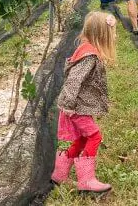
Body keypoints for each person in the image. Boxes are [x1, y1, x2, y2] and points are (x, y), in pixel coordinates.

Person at [51, 12, 117, 193]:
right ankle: (86, 181)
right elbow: (73, 80)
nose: (115, 36)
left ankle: (59, 175)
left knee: (81, 139)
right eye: (113, 33)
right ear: (102, 34)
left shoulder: (86, 50)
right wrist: (68, 104)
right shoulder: (89, 56)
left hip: (77, 106)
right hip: (76, 107)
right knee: (94, 137)